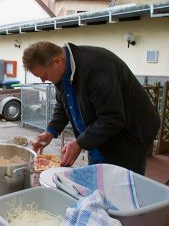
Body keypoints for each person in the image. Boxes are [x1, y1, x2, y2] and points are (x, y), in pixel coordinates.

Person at [22, 41, 160, 175]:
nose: (43, 80)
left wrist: (80, 142)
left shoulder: (98, 66)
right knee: (97, 179)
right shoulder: (62, 72)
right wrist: (50, 132)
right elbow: (64, 105)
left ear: (57, 61)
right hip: (102, 133)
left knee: (121, 185)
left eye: (44, 75)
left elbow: (112, 118)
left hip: (131, 134)